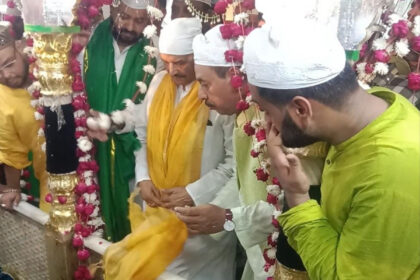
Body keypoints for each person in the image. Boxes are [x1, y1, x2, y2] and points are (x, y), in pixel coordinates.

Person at [243, 11, 420, 279]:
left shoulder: (391, 173)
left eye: (266, 110)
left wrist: (297, 197)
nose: (268, 123)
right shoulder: (372, 108)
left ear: (301, 109)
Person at [175, 25, 326, 279]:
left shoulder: (280, 120)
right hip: (262, 253)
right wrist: (215, 211)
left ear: (237, 77)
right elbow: (247, 180)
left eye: (205, 84)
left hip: (294, 258)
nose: (200, 95)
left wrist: (228, 217)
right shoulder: (245, 115)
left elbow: (300, 203)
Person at [84, 0, 156, 242]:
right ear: (113, 10)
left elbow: (150, 110)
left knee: (132, 225)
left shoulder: (155, 52)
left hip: (133, 156)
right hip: (88, 149)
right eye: (125, 16)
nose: (130, 26)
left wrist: (112, 121)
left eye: (139, 20)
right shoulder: (91, 40)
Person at [0, 22, 48, 211]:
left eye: (9, 64)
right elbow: (11, 152)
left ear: (20, 46)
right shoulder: (2, 98)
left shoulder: (47, 65)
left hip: (89, 160)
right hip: (47, 177)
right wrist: (12, 189)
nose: (6, 75)